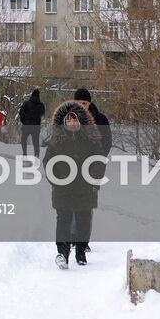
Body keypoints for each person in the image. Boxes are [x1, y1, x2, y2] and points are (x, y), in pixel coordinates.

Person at [44, 100, 103, 268]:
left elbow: (98, 162)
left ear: (80, 121)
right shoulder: (56, 141)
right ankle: (62, 253)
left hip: (85, 188)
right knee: (63, 219)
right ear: (63, 122)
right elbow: (48, 163)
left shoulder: (91, 141)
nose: (71, 123)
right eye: (68, 120)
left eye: (74, 119)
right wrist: (56, 181)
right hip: (63, 188)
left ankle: (81, 251)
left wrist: (93, 181)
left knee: (84, 219)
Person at [18, 89, 45, 156]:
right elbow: (42, 113)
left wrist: (23, 121)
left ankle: (24, 153)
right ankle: (36, 155)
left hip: (26, 125)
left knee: (23, 139)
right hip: (36, 126)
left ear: (32, 95)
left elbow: (21, 112)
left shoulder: (26, 103)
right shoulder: (41, 105)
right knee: (36, 141)